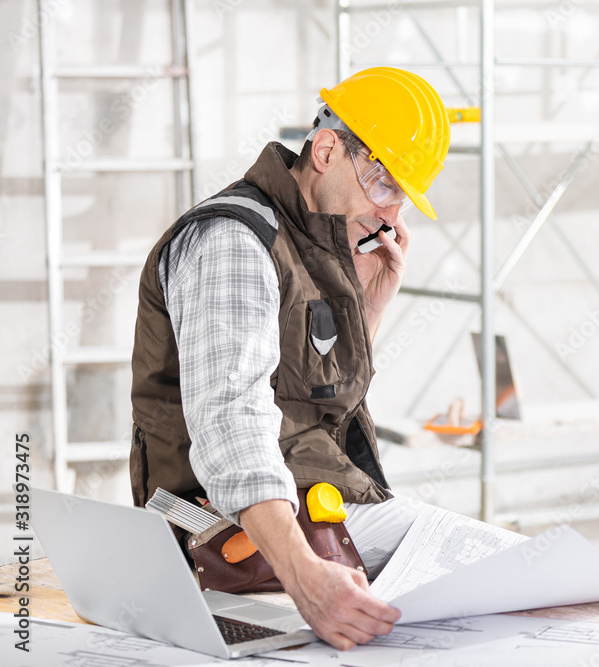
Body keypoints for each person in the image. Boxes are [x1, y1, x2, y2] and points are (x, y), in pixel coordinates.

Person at [129, 67, 450, 650]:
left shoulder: (313, 245)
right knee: (503, 579)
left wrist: (369, 307)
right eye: (385, 186)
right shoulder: (233, 241)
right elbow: (232, 423)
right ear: (327, 149)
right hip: (228, 532)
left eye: (404, 199)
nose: (391, 218)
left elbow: (317, 410)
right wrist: (305, 578)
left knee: (499, 574)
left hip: (314, 504)